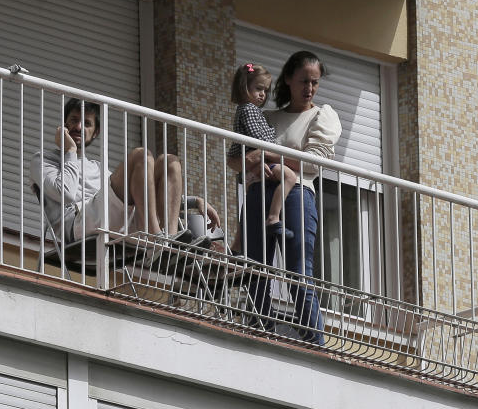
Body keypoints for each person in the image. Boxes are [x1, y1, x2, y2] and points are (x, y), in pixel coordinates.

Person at [228, 51, 341, 345]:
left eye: (315, 82)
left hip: (296, 194)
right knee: (255, 269)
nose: (310, 88)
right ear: (288, 79)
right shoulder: (265, 117)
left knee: (297, 273)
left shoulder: (320, 115)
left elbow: (314, 163)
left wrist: (265, 154)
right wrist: (264, 157)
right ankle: (258, 331)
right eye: (304, 81)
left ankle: (313, 341)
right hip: (256, 193)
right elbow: (235, 161)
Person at [31, 99, 220, 244]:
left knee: (170, 163)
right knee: (140, 155)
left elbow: (144, 192)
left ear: (95, 132)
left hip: (114, 221)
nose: (78, 127)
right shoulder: (44, 159)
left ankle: (169, 239)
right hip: (77, 225)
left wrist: (195, 201)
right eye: (73, 120)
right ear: (63, 125)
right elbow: (66, 193)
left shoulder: (97, 167)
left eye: (86, 123)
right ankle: (156, 240)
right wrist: (69, 151)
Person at [227, 62, 298, 247]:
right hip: (256, 158)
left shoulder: (249, 110)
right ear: (244, 87)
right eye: (258, 88)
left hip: (255, 161)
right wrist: (275, 145)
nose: (262, 94)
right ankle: (274, 217)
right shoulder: (248, 109)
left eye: (265, 90)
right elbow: (256, 137)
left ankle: (238, 244)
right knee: (289, 176)